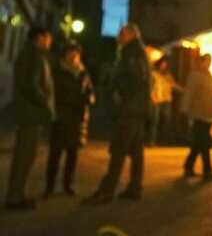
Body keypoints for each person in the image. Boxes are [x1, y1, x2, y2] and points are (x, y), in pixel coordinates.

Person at [83, 23, 151, 205]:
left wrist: (119, 94)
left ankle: (107, 191)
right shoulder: (137, 52)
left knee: (119, 149)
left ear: (130, 35)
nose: (118, 37)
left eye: (121, 33)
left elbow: (134, 79)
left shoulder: (132, 53)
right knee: (136, 151)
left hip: (129, 110)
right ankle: (134, 188)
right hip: (136, 109)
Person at [5, 27, 54, 210]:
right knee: (24, 156)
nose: (50, 41)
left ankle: (18, 194)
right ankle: (15, 198)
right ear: (40, 38)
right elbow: (31, 85)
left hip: (30, 113)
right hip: (30, 113)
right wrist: (44, 103)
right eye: (48, 37)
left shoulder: (32, 54)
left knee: (27, 156)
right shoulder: (33, 55)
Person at [44, 43, 95, 197]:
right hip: (60, 116)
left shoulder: (83, 73)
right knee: (55, 153)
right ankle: (49, 186)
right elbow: (51, 91)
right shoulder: (58, 71)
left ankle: (68, 184)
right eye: (70, 53)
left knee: (72, 154)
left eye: (76, 54)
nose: (73, 57)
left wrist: (89, 99)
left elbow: (90, 91)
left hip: (77, 118)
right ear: (64, 55)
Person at [181, 53, 212, 180]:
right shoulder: (195, 75)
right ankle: (207, 170)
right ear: (201, 62)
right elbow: (189, 93)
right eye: (207, 61)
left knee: (199, 143)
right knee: (204, 142)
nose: (209, 63)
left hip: (208, 114)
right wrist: (185, 111)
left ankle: (188, 166)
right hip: (199, 113)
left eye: (210, 61)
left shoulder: (209, 75)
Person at [148, 56, 180, 146]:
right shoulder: (153, 74)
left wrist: (184, 90)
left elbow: (173, 86)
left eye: (165, 64)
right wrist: (152, 97)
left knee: (165, 121)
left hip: (166, 100)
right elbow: (150, 87)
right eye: (162, 64)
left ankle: (162, 141)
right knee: (155, 121)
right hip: (157, 99)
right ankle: (151, 141)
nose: (163, 66)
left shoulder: (168, 76)